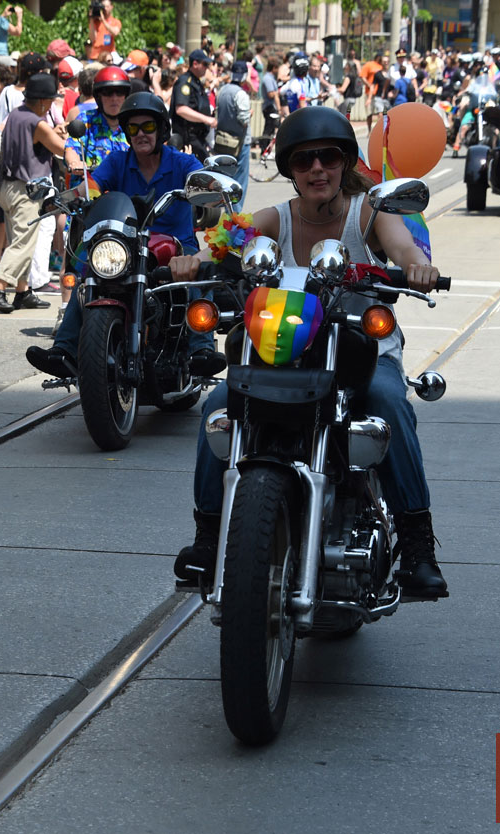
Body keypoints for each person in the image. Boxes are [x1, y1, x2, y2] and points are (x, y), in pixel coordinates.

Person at [170, 106, 447, 600]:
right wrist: (194, 258)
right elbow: (223, 239)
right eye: (303, 161)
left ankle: (418, 544)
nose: (317, 169)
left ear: (344, 163)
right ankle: (208, 537)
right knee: (217, 407)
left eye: (327, 157)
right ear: (290, 171)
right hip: (289, 352)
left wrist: (418, 265)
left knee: (387, 402)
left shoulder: (369, 214)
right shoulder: (277, 217)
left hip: (362, 348)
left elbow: (403, 248)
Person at [26, 91, 223, 379]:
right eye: (133, 128)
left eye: (148, 127)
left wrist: (212, 186)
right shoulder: (118, 161)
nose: (141, 133)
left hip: (176, 246)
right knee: (85, 269)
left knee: (194, 273)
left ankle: (199, 349)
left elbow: (208, 184)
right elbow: (90, 188)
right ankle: (65, 349)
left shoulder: (181, 163)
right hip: (127, 244)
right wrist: (61, 198)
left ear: (162, 129)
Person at [0, 72, 64, 315]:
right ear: (41, 101)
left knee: (19, 238)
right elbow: (60, 148)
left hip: (7, 187)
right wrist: (64, 135)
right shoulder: (36, 123)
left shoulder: (16, 114)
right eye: (50, 100)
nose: (51, 105)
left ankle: (22, 291)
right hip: (25, 191)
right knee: (22, 243)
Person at [214, 61, 251, 211]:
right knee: (239, 180)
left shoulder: (222, 90)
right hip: (240, 142)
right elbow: (244, 120)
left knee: (225, 178)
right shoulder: (241, 94)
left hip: (223, 140)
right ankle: (235, 215)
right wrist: (250, 115)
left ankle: (226, 210)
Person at [171, 50, 217, 159]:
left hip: (198, 138)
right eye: (205, 64)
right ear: (195, 64)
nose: (207, 68)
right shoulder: (185, 82)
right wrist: (206, 119)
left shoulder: (196, 82)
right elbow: (181, 109)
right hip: (188, 139)